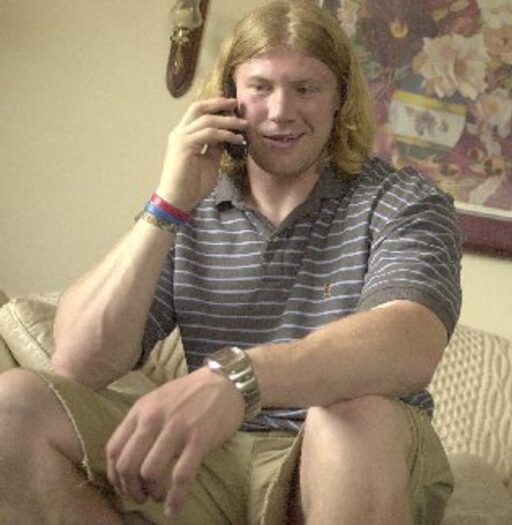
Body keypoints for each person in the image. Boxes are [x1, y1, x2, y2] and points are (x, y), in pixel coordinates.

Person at [0, 1, 462, 523]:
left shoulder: (402, 201)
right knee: (14, 407)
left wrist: (239, 378)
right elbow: (78, 364)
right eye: (260, 86)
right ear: (228, 98)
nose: (281, 110)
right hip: (211, 462)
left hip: (348, 455)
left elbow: (410, 343)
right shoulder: (192, 208)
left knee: (355, 415)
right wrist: (167, 206)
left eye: (306, 88)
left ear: (340, 100)